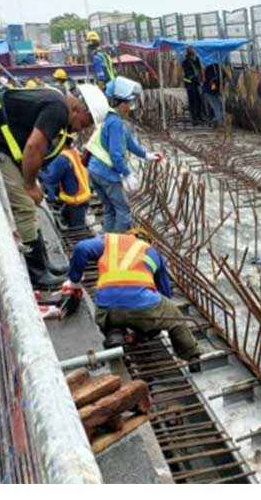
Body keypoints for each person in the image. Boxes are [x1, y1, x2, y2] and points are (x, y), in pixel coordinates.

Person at [0, 85, 99, 286]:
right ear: (78, 110)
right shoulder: (58, 108)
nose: (80, 129)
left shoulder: (56, 99)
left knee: (28, 204)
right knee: (24, 206)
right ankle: (37, 273)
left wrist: (32, 179)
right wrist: (29, 185)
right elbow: (34, 146)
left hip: (0, 142)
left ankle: (44, 264)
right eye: (83, 123)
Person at [64, 232, 202, 367]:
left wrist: (74, 281)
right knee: (172, 314)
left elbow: (81, 248)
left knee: (114, 307)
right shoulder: (151, 251)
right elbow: (165, 293)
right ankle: (192, 356)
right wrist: (154, 324)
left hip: (106, 310)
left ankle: (114, 333)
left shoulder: (110, 241)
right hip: (142, 307)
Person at [86, 76, 162, 233]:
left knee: (110, 210)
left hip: (95, 170)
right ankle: (118, 247)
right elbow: (116, 155)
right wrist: (127, 174)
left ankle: (106, 241)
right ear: (119, 103)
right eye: (129, 103)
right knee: (123, 211)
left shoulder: (112, 118)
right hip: (106, 173)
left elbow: (130, 143)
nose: (130, 107)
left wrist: (147, 155)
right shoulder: (115, 123)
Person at [39, 139, 91, 229]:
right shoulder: (73, 152)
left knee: (78, 229)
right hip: (82, 197)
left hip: (76, 202)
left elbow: (50, 179)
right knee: (65, 215)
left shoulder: (62, 159)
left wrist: (36, 171)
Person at [181, 46, 203, 125]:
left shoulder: (196, 60)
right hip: (190, 85)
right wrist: (192, 79)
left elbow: (199, 70)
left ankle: (199, 117)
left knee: (198, 100)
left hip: (195, 84)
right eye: (193, 50)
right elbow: (187, 75)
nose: (195, 51)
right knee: (193, 101)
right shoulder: (186, 62)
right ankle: (194, 119)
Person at [202, 61, 227, 128]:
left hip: (215, 92)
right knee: (217, 107)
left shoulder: (219, 67)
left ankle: (215, 122)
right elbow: (211, 80)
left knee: (220, 106)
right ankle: (219, 124)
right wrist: (213, 85)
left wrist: (222, 88)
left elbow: (224, 77)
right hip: (209, 92)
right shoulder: (210, 67)